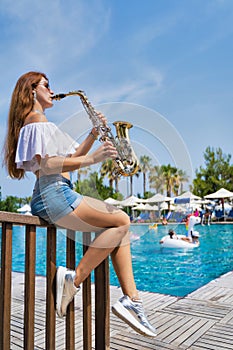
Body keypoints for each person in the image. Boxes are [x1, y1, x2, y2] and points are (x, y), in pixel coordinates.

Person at [3, 71, 156, 338]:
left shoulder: (38, 122)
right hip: (55, 193)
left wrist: (93, 135)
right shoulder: (37, 119)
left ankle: (133, 300)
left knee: (118, 229)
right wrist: (94, 159)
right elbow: (50, 165)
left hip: (52, 194)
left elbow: (70, 158)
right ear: (31, 91)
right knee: (121, 220)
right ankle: (74, 280)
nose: (52, 91)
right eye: (46, 86)